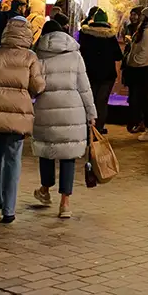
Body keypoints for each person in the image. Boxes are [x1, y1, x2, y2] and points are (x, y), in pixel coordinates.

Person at [0, 15, 45, 223]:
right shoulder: (30, 57)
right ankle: (8, 209)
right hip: (19, 116)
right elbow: (38, 87)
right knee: (12, 161)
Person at [32, 18, 96, 219]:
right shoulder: (75, 55)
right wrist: (91, 114)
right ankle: (65, 204)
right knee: (68, 155)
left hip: (45, 108)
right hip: (73, 110)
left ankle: (45, 189)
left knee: (46, 150)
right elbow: (84, 87)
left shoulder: (37, 55)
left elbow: (35, 87)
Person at [77, 8, 124, 133]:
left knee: (89, 100)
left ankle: (88, 128)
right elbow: (118, 56)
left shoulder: (85, 34)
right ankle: (99, 128)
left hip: (90, 73)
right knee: (102, 102)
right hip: (107, 74)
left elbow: (80, 52)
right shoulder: (110, 36)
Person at [124, 4, 148, 141]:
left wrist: (134, 61)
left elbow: (147, 52)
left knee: (145, 100)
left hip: (145, 69)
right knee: (144, 99)